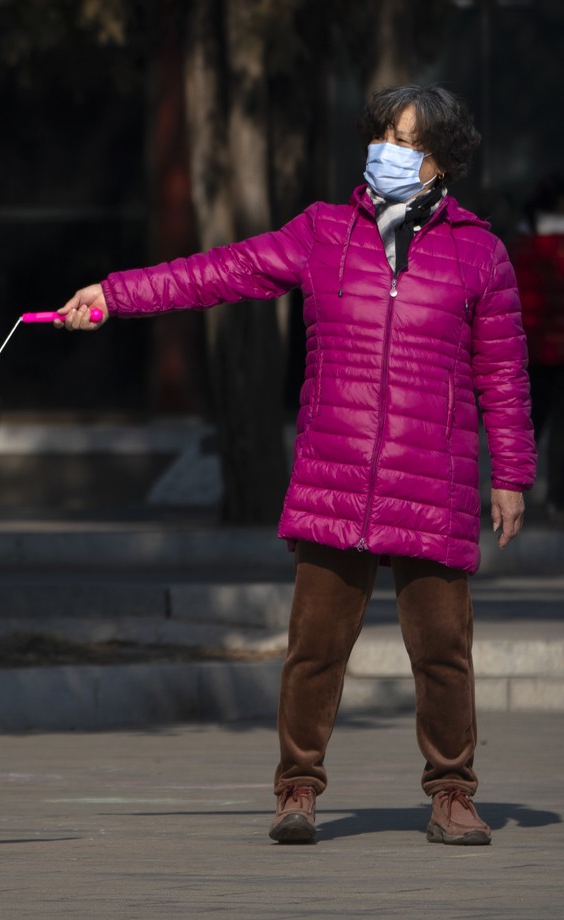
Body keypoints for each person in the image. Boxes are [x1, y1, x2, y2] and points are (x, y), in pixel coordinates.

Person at [58, 84, 533, 846]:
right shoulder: (321, 233)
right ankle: (297, 791)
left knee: (443, 653)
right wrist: (115, 295)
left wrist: (511, 476)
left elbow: (504, 375)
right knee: (314, 651)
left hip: (432, 480)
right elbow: (216, 271)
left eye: (407, 142)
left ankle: (452, 793)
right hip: (335, 474)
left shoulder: (481, 253)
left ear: (442, 159)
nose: (388, 152)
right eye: (381, 136)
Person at [511, 175, 564, 518]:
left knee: (530, 426)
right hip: (556, 351)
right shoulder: (556, 246)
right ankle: (557, 500)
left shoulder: (520, 245)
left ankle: (515, 490)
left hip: (531, 352)